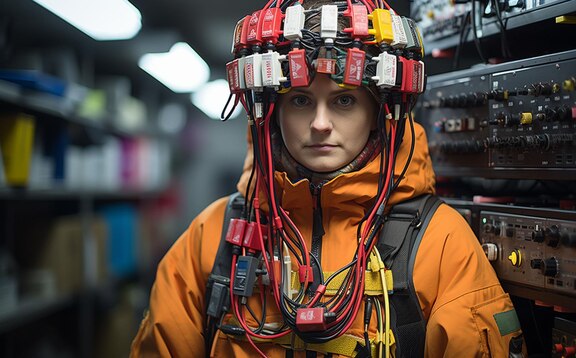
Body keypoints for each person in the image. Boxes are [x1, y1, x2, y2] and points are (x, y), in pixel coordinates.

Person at [131, 0, 526, 357]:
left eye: (344, 100)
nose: (320, 124)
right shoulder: (212, 236)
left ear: (378, 113)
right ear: (272, 112)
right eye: (301, 100)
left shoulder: (440, 243)